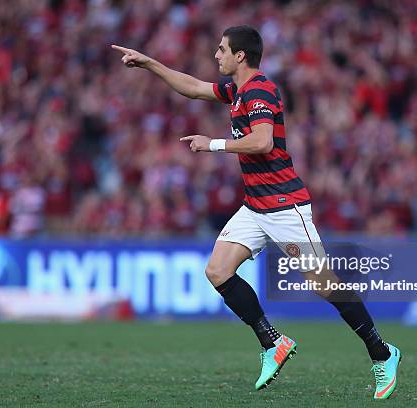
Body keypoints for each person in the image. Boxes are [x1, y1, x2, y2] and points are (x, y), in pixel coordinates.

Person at [112, 25, 401, 399]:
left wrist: (212, 144)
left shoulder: (260, 88)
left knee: (324, 285)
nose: (216, 55)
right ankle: (272, 342)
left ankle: (382, 353)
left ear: (240, 56)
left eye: (221, 49)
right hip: (255, 207)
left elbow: (263, 142)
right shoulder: (236, 90)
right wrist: (150, 63)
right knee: (217, 270)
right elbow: (195, 88)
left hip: (285, 205)